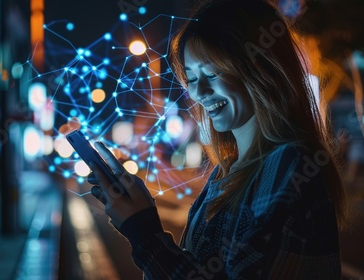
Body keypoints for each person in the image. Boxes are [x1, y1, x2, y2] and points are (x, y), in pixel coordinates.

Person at [87, 0, 350, 278]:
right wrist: (142, 214)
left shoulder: (289, 165)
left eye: (212, 73)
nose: (199, 92)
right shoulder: (226, 172)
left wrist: (144, 233)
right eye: (191, 78)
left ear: (261, 68)